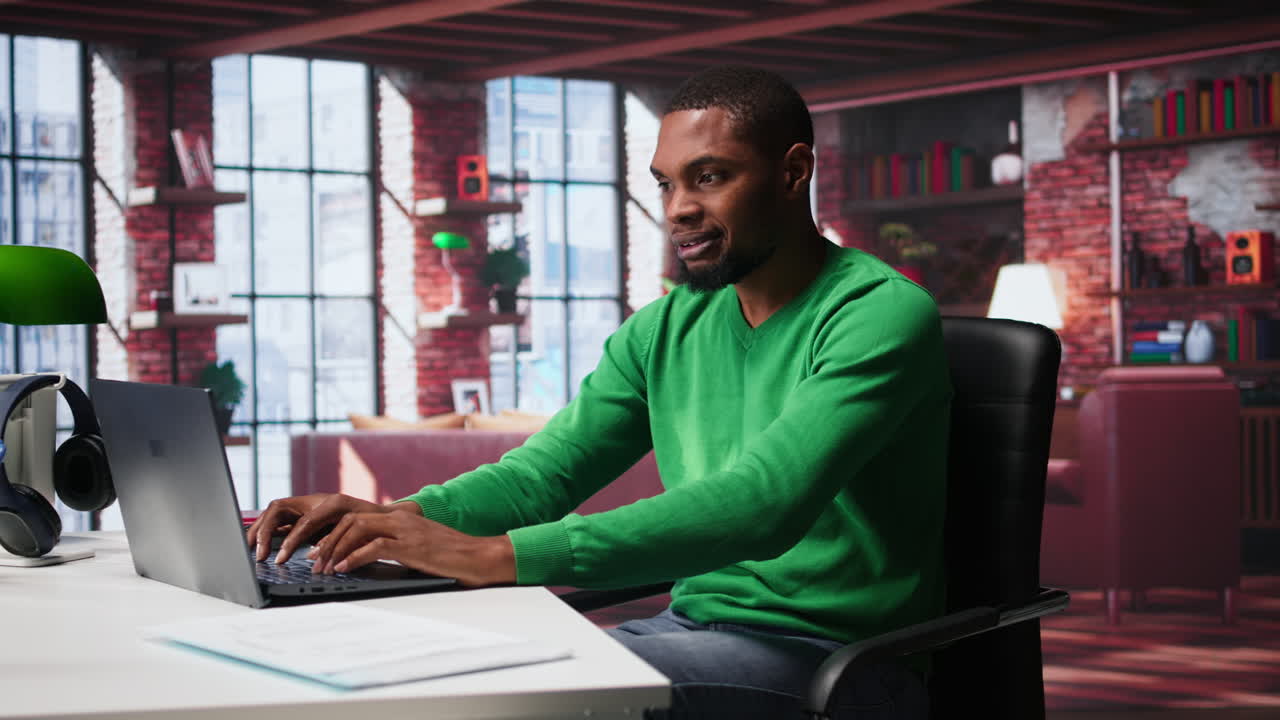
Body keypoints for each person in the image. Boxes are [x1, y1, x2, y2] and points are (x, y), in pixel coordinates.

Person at [247, 65, 951, 719]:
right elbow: (541, 476)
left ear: (793, 171)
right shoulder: (666, 328)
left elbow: (763, 505)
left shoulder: (878, 313)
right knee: (430, 672)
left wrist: (496, 556)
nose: (678, 209)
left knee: (511, 699)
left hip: (836, 660)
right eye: (666, 184)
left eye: (709, 177)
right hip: (689, 627)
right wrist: (390, 520)